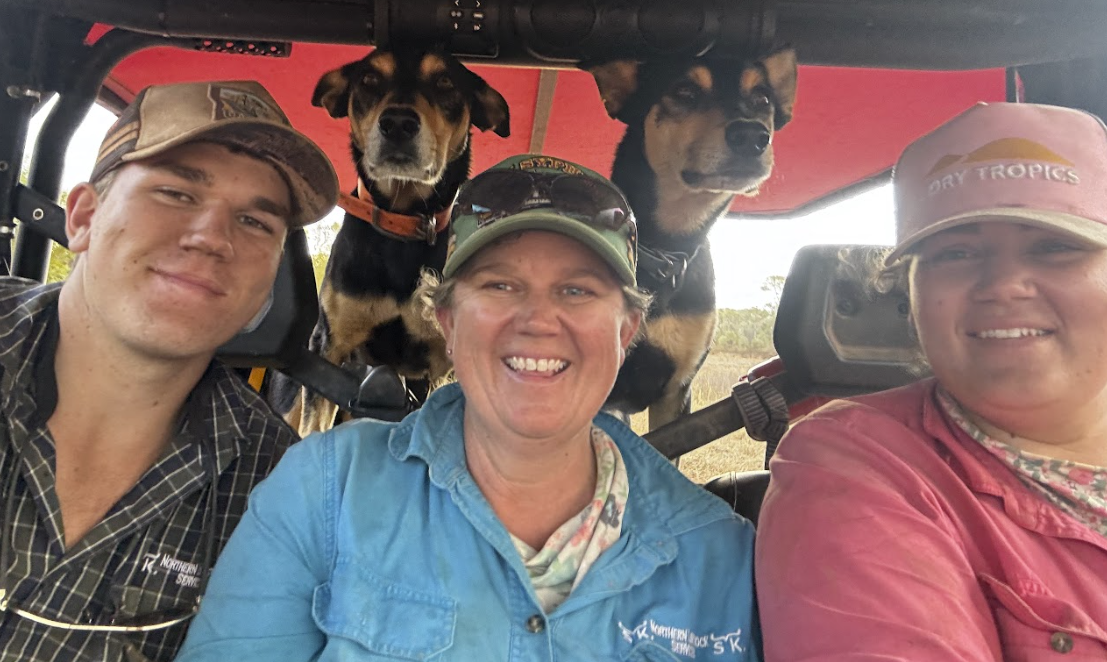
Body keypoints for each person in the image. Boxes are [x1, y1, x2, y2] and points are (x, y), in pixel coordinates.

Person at [178, 154, 760, 661]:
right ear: (448, 323)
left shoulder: (718, 551)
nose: (536, 320)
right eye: (500, 286)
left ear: (627, 327)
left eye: (577, 289)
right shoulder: (324, 489)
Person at [0, 79, 340, 662]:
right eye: (176, 193)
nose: (212, 238)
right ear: (82, 217)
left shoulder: (274, 491)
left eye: (256, 223)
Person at [756, 101, 1107, 661]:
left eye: (1054, 247)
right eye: (957, 252)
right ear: (910, 293)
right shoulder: (860, 462)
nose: (1003, 284)